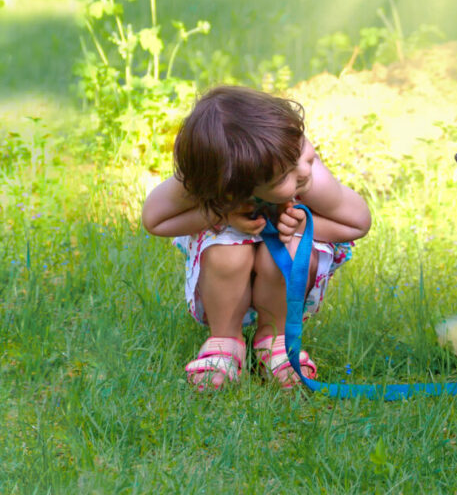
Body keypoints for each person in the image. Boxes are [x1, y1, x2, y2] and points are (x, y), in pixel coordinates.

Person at [142, 85, 371, 390]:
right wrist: (220, 216)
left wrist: (302, 225)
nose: (303, 169)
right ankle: (224, 341)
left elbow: (358, 222)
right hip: (226, 260)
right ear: (231, 186)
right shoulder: (217, 169)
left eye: (301, 151)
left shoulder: (301, 168)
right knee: (227, 249)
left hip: (284, 259)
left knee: (288, 250)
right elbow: (154, 220)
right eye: (284, 176)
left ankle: (274, 339)